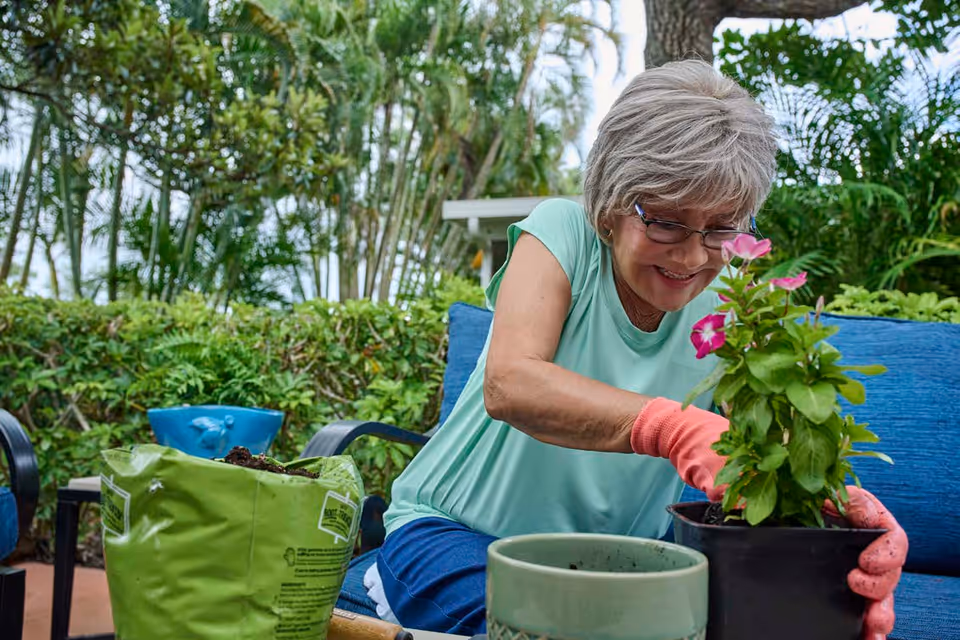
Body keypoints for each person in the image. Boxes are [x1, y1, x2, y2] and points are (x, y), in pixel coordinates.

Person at [365, 59, 907, 639]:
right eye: (667, 222)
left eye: (722, 228)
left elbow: (757, 451)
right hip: (455, 537)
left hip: (621, 567)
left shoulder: (732, 301)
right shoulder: (563, 233)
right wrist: (672, 428)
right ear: (609, 203)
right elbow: (511, 383)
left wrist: (837, 521)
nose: (692, 257)